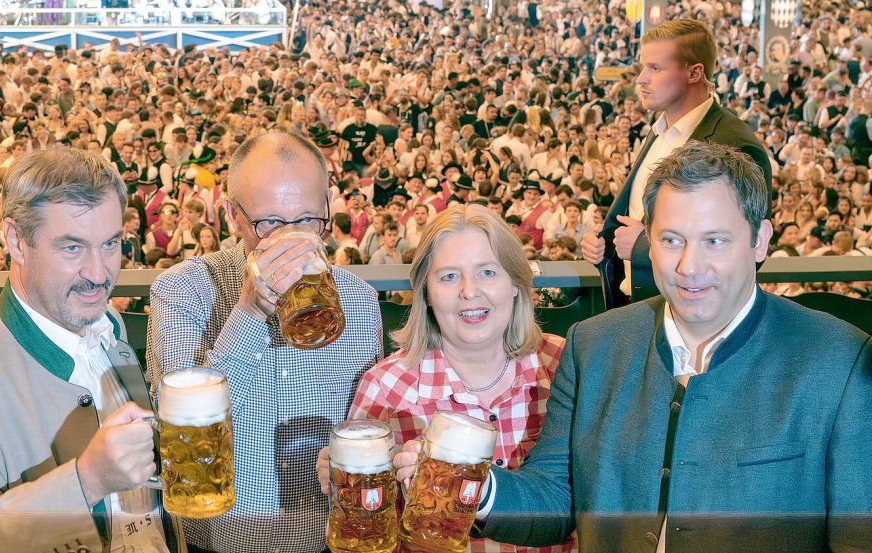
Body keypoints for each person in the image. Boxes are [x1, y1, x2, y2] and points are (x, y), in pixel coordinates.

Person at [394, 142, 871, 552]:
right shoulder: (594, 345)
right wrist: (473, 485)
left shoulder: (838, 361)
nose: (689, 265)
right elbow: (556, 498)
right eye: (671, 239)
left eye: (715, 241)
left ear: (760, 240)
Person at [0, 148, 186, 553]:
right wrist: (85, 481)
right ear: (16, 240)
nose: (98, 273)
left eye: (110, 244)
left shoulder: (108, 325)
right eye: (71, 248)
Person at [147, 132, 382, 553]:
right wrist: (249, 313)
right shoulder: (181, 290)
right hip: (218, 540)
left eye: (309, 219)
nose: (289, 240)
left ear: (328, 208)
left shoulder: (360, 302)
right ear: (232, 216)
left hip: (322, 540)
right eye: (269, 222)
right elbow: (181, 429)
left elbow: (364, 425)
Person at [316, 204, 573, 553]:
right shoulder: (385, 388)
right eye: (449, 276)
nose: (469, 291)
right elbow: (367, 533)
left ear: (515, 282)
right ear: (426, 293)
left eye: (487, 272)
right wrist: (343, 489)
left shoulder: (564, 366)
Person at [581, 19, 772, 308]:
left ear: (694, 72)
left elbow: (745, 252)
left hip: (689, 316)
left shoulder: (733, 144)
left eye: (655, 68)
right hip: (640, 308)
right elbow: (635, 220)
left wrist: (644, 248)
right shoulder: (659, 131)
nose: (640, 79)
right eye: (643, 67)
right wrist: (604, 243)